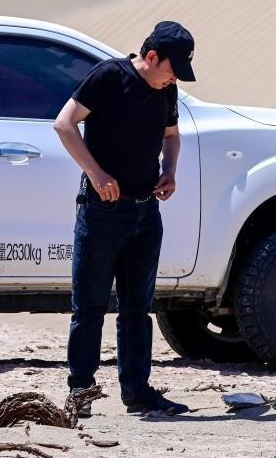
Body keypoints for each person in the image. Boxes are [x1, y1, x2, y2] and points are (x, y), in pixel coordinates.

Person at [54, 21, 197, 418]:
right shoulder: (108, 76)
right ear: (151, 56)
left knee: (137, 307)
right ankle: (80, 391)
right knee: (90, 306)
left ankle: (137, 391)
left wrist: (170, 170)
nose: (174, 78)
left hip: (146, 211)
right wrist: (96, 175)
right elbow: (64, 124)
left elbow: (171, 135)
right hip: (102, 211)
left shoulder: (166, 89)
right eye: (172, 69)